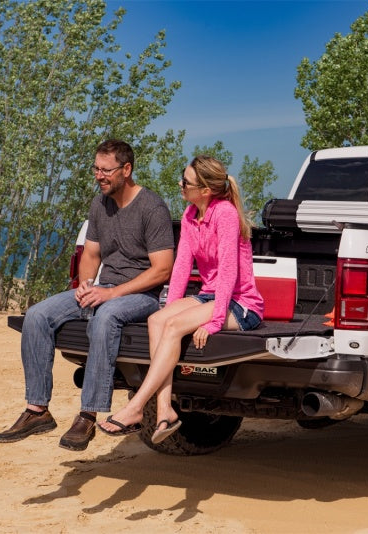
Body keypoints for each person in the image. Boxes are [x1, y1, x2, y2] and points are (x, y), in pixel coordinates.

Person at [0, 139, 175, 451]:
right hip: (104, 288)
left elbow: (162, 270)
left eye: (106, 170)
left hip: (141, 295)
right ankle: (37, 410)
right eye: (96, 168)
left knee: (105, 316)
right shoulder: (99, 204)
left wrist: (112, 294)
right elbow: (90, 253)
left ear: (127, 169)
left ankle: (87, 415)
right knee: (37, 316)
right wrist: (85, 283)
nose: (99, 176)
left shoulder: (152, 207)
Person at [98, 155, 264, 443]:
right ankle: (165, 410)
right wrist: (170, 306)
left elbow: (228, 272)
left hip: (241, 304)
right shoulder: (190, 215)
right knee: (158, 320)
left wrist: (213, 322)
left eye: (185, 182)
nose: (180, 184)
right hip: (209, 295)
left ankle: (138, 406)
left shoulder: (224, 214)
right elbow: (182, 268)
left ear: (205, 190)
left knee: (174, 328)